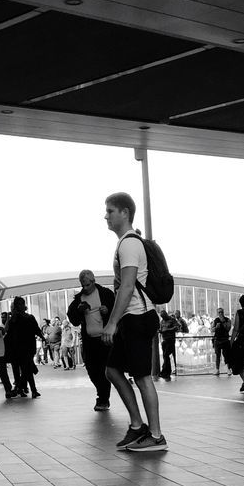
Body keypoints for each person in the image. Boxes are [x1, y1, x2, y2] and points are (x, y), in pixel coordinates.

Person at [102, 191, 166, 453]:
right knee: (112, 370)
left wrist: (112, 322)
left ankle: (156, 435)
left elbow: (127, 287)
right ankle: (138, 425)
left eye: (110, 211)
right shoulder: (125, 243)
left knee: (141, 377)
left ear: (124, 213)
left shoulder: (129, 244)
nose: (106, 216)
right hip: (132, 318)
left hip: (138, 317)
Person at [68, 269, 114, 411]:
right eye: (83, 285)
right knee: (91, 369)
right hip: (89, 341)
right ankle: (102, 395)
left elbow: (118, 310)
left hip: (105, 339)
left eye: (87, 285)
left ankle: (103, 398)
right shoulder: (78, 299)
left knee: (104, 370)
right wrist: (79, 310)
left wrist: (108, 311)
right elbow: (73, 319)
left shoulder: (106, 294)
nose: (85, 288)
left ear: (93, 282)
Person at [6, 296, 42, 398]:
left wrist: (42, 336)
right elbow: (9, 331)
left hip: (29, 347)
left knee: (27, 368)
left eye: (23, 303)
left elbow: (36, 329)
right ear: (16, 306)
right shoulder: (15, 318)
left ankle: (20, 388)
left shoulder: (30, 317)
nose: (22, 305)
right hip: (19, 348)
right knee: (27, 368)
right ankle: (31, 390)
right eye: (19, 304)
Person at [159, 309, 179, 380]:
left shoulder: (172, 320)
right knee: (165, 356)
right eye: (162, 317)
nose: (163, 318)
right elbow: (161, 329)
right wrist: (160, 331)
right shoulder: (162, 321)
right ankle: (166, 371)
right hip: (164, 340)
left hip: (170, 340)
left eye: (164, 316)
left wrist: (168, 330)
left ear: (166, 314)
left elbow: (177, 327)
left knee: (166, 355)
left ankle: (165, 371)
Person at [211, 306, 231, 375]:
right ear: (217, 313)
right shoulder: (215, 320)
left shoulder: (227, 320)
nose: (220, 313)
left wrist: (223, 322)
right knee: (217, 355)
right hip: (217, 340)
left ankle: (228, 369)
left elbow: (228, 328)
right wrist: (216, 327)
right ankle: (217, 369)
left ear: (223, 312)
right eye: (219, 312)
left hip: (225, 340)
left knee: (227, 355)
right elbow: (212, 329)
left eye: (221, 312)